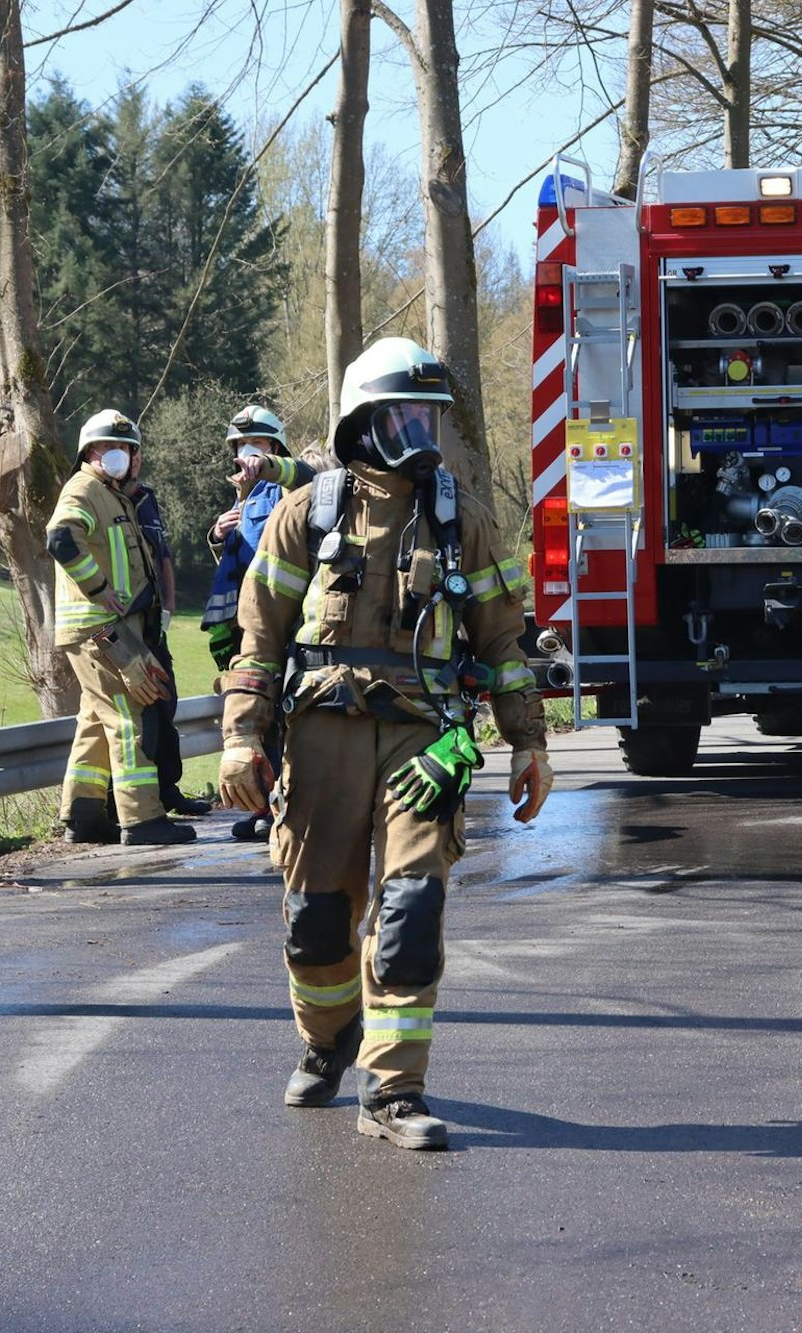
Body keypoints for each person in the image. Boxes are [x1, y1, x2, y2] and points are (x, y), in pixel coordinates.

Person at [216, 337, 554, 1151]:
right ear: (362, 421)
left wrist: (529, 742)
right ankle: (328, 1039)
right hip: (321, 736)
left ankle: (394, 1089)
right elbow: (256, 640)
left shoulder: (461, 518)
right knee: (317, 922)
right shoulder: (309, 514)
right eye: (404, 414)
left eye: (428, 414)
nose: (421, 431)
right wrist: (238, 741)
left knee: (411, 908)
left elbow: (506, 643)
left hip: (423, 741)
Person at [45, 410, 197, 847]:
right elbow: (60, 538)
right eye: (106, 447)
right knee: (131, 717)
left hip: (106, 628)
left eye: (125, 448)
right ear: (88, 453)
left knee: (96, 718)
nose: (118, 455)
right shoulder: (85, 490)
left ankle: (84, 814)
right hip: (102, 630)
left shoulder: (112, 495)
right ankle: (142, 819)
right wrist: (99, 588)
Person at [201, 405, 314, 841]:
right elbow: (241, 561)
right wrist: (217, 536)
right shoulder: (242, 497)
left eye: (259, 446)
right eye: (241, 447)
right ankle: (267, 805)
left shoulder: (288, 488)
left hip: (278, 625)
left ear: (275, 448)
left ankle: (283, 807)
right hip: (243, 629)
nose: (247, 454)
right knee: (256, 720)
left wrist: (271, 467)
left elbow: (307, 476)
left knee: (282, 719)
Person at [127, 445, 210, 820]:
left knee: (166, 703)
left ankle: (168, 788)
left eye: (135, 454)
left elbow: (163, 557)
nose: (132, 461)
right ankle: (134, 803)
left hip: (154, 625)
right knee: (140, 714)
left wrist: (169, 611)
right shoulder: (105, 500)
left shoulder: (146, 499)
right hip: (125, 627)